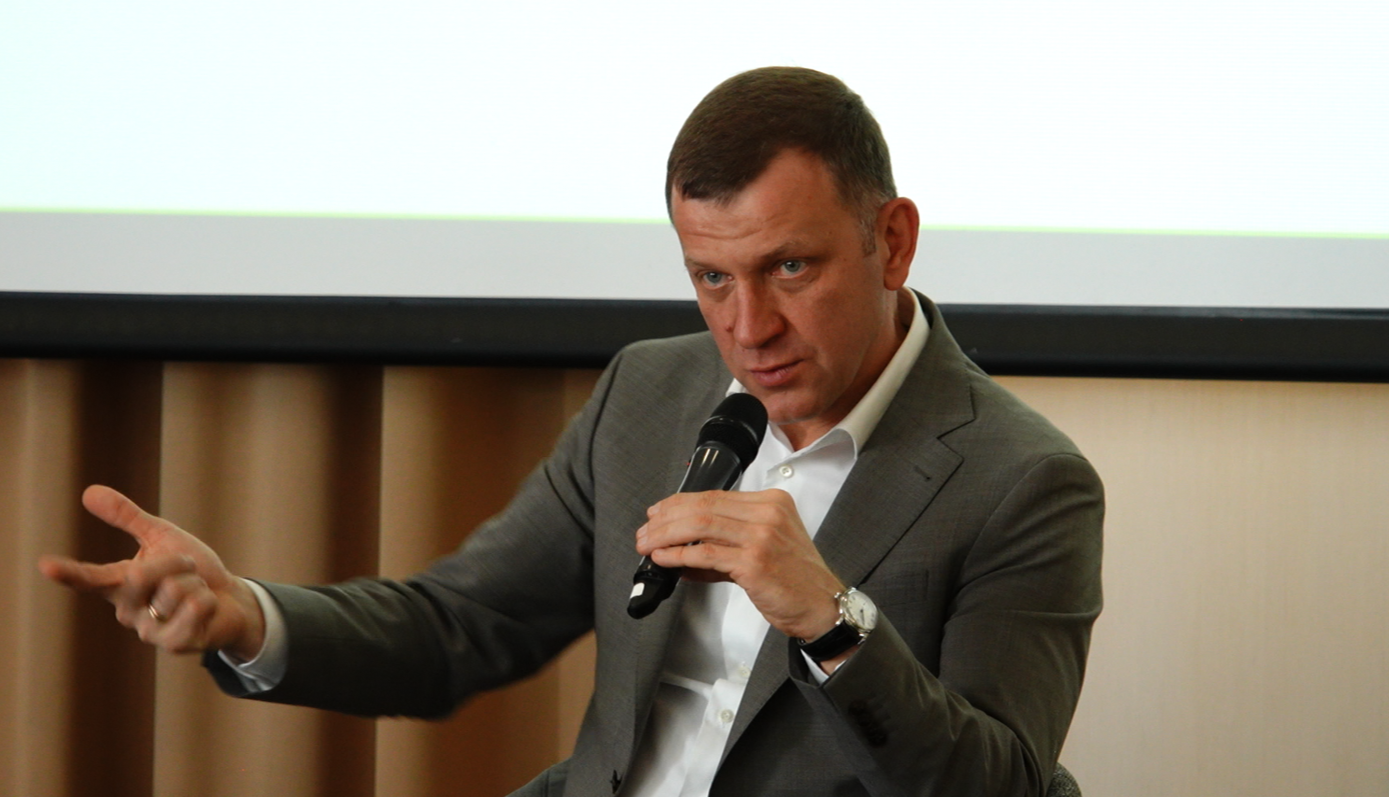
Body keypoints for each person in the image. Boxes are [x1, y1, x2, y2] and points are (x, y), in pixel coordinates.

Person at [39, 67, 1103, 796]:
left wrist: (830, 621)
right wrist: (247, 616)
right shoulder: (650, 390)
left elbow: (998, 784)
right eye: (710, 278)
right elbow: (462, 625)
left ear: (893, 241)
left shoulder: (1022, 481)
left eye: (789, 267)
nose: (747, 328)